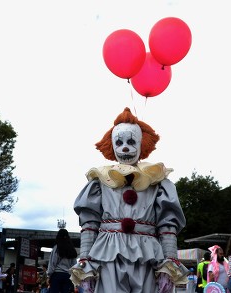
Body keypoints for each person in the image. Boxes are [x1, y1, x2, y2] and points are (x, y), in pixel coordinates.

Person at [69, 108, 188, 293]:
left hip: (147, 254)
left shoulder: (157, 181)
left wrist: (169, 263)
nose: (125, 148)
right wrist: (86, 264)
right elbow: (89, 224)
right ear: (112, 145)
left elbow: (167, 225)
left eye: (131, 141)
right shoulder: (100, 181)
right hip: (109, 254)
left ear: (142, 144)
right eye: (119, 142)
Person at [47, 228, 77, 293]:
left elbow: (52, 263)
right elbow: (74, 265)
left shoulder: (57, 248)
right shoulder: (72, 249)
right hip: (67, 276)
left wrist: (49, 275)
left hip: (56, 276)